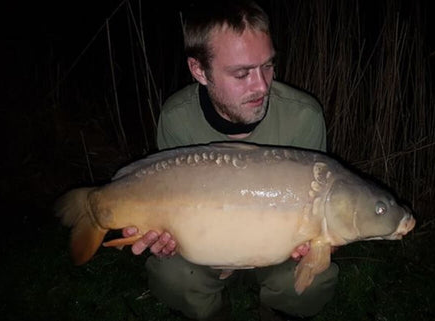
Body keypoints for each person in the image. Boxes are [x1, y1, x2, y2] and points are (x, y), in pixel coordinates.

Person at [123, 1, 338, 319]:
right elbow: (166, 208)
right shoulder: (176, 118)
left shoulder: (304, 117)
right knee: (173, 276)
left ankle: (275, 311)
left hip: (278, 249)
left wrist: (322, 239)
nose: (262, 85)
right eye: (242, 73)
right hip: (205, 247)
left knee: (315, 281)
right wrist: (165, 237)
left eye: (267, 65)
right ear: (199, 71)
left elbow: (322, 211)